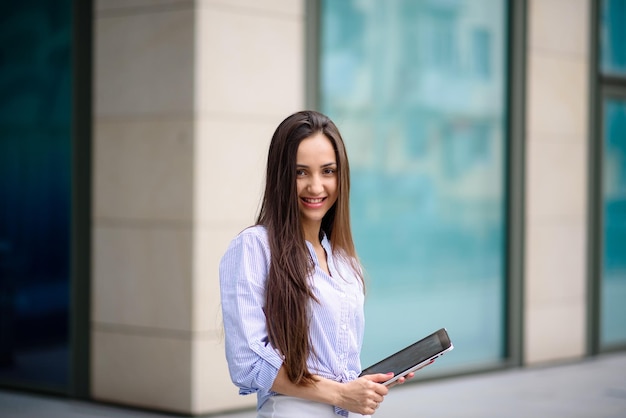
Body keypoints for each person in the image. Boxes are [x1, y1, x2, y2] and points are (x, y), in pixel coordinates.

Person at [219, 110, 411, 417]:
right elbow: (248, 364)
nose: (316, 186)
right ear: (281, 177)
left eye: (328, 171)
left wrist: (365, 386)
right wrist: (341, 393)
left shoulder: (342, 258)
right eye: (301, 172)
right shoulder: (254, 247)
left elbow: (335, 363)